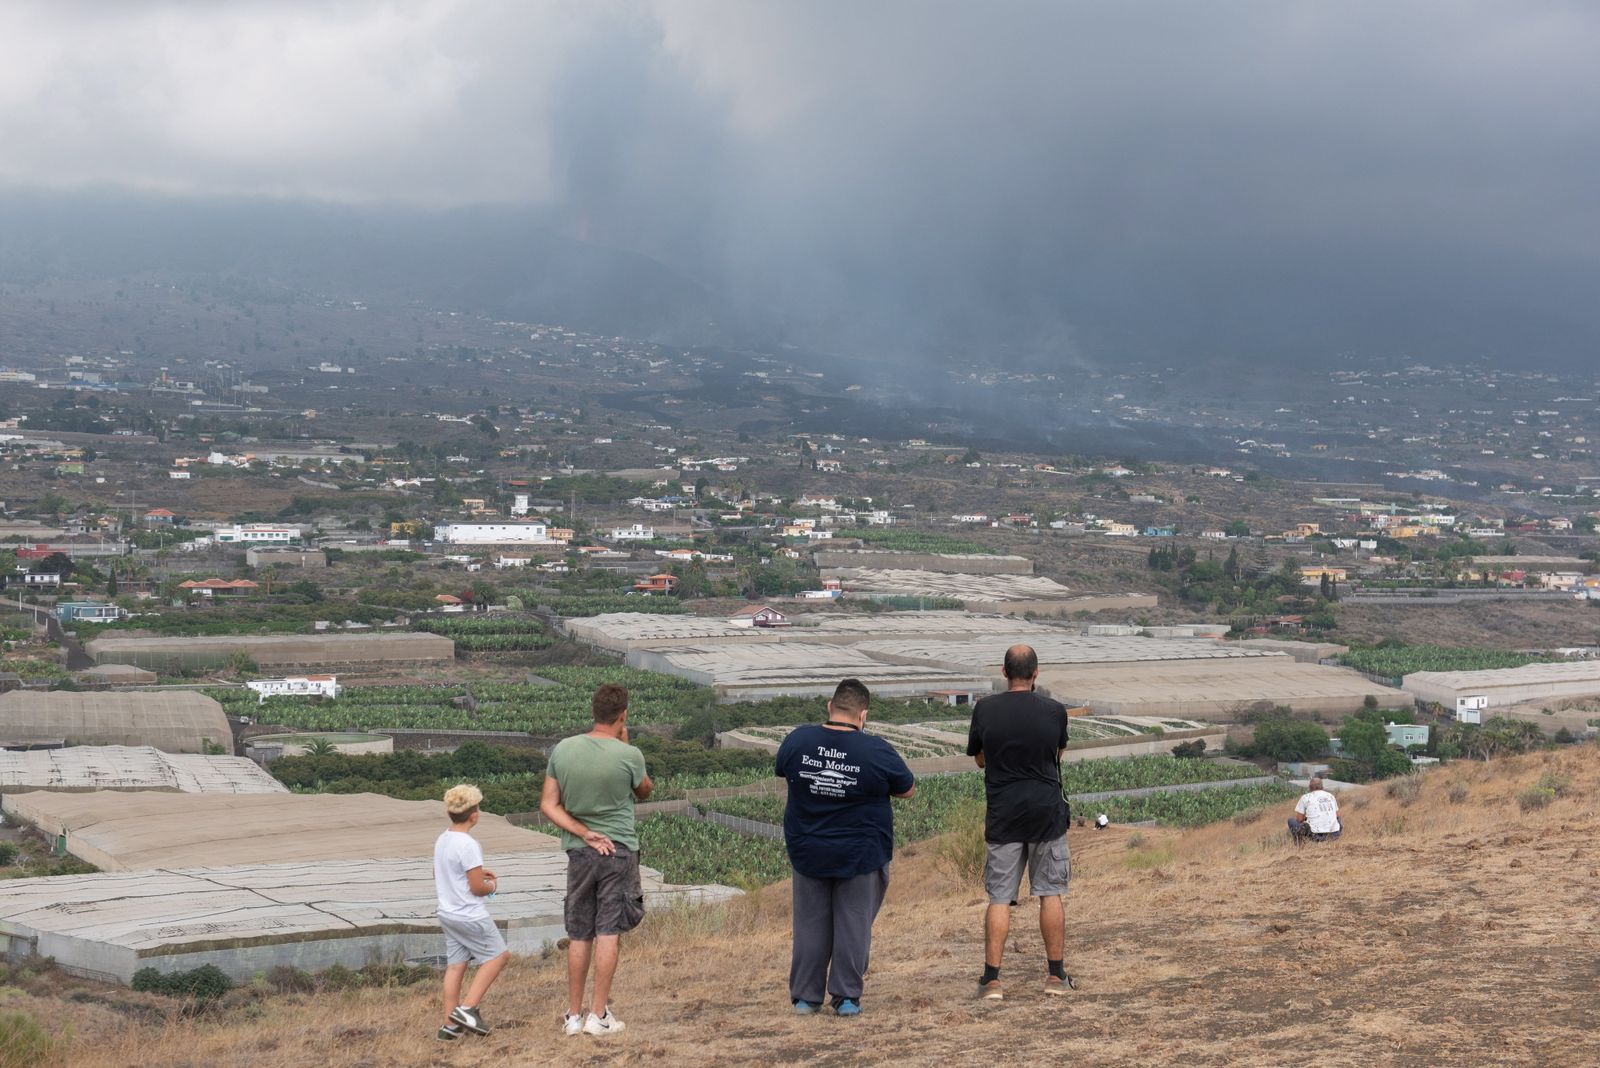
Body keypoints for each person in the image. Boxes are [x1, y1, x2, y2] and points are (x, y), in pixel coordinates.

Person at [775, 678, 915, 1018]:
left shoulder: (798, 740)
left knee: (809, 925)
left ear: (830, 706)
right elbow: (907, 789)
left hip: (808, 850)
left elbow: (784, 770)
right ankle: (846, 997)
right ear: (863, 715)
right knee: (854, 925)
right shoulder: (876, 750)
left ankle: (806, 999)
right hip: (860, 854)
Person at [540, 682, 652, 1038]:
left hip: (579, 851)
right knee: (608, 931)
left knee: (579, 933)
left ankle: (573, 1015)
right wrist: (625, 744)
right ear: (623, 715)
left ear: (593, 712)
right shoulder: (628, 754)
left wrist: (583, 832)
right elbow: (645, 790)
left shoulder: (563, 749)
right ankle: (598, 1014)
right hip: (618, 850)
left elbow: (548, 805)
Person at [966, 644, 1072, 1000]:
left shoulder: (985, 709)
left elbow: (980, 760)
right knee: (1050, 892)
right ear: (1036, 673)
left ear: (1004, 671)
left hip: (1004, 813)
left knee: (999, 897)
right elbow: (1057, 754)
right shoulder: (1055, 711)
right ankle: (1056, 976)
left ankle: (992, 980)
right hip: (1045, 812)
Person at [434, 783, 511, 1041]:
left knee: (456, 966)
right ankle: (468, 1009)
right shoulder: (468, 844)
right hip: (469, 915)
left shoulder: (443, 839)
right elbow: (477, 888)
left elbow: (449, 873)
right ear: (474, 814)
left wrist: (478, 872)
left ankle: (450, 1026)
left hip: (447, 913)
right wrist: (491, 886)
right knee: (498, 956)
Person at [1288, 775, 1342, 842]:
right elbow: (1337, 815)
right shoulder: (1331, 796)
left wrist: (1306, 818)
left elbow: (1299, 819)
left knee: (1291, 821)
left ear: (1309, 787)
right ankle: (1335, 837)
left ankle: (1299, 845)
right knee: (1338, 819)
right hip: (1334, 835)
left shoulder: (1306, 797)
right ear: (1322, 787)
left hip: (1316, 836)